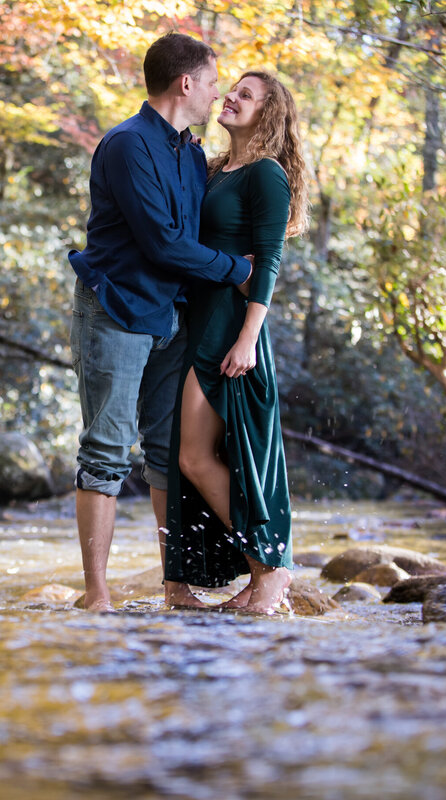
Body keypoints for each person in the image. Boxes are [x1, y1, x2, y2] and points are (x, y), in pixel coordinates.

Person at [68, 33, 253, 612]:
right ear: (186, 83)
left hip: (172, 318)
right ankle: (96, 595)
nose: (218, 93)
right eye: (215, 82)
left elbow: (195, 234)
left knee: (166, 452)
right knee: (105, 449)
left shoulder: (191, 153)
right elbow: (163, 243)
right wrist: (235, 270)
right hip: (117, 312)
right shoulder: (126, 145)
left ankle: (175, 585)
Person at [164, 71, 310, 614]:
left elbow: (268, 263)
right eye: (232, 90)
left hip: (231, 327)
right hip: (199, 320)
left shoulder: (266, 175)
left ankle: (273, 569)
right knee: (204, 455)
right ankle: (256, 574)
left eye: (245, 95)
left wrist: (249, 339)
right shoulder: (216, 169)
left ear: (268, 114)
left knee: (198, 456)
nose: (231, 98)